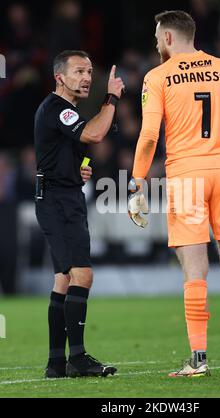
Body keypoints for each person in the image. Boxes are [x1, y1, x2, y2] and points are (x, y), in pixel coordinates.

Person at [128, 10, 220, 377]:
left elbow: (149, 137)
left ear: (167, 38)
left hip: (185, 175)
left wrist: (136, 182)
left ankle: (198, 359)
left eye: (156, 35)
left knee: (195, 272)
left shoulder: (157, 76)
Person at [34, 50, 124, 378]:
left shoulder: (63, 111)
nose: (86, 77)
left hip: (59, 196)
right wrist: (111, 98)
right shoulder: (58, 108)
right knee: (83, 275)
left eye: (89, 71)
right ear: (60, 76)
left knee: (64, 279)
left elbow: (62, 152)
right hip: (59, 203)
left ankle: (57, 362)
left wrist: (75, 171)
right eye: (79, 71)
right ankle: (79, 358)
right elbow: (95, 134)